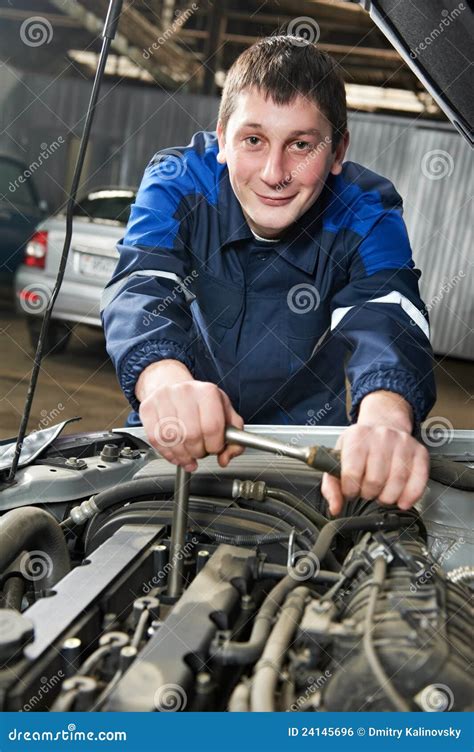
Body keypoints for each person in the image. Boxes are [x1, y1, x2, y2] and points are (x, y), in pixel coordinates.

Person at [101, 36, 436, 516]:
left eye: (301, 144)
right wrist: (162, 380)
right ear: (222, 140)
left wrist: (384, 417)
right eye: (253, 140)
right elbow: (142, 283)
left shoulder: (365, 207)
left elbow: (386, 312)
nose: (275, 173)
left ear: (338, 150)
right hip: (182, 433)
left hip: (308, 453)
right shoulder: (178, 179)